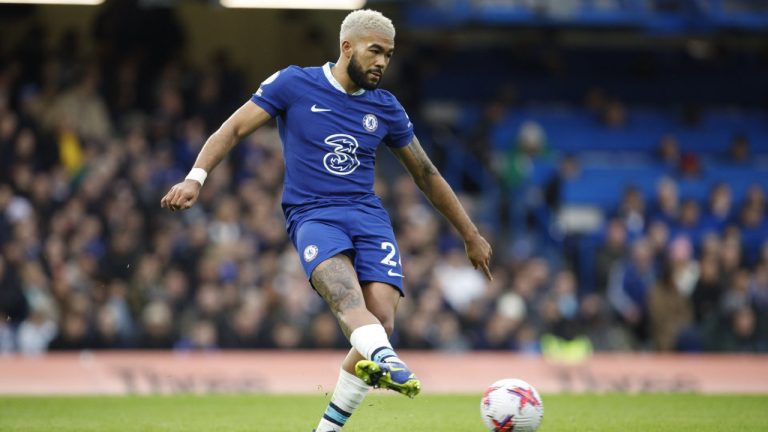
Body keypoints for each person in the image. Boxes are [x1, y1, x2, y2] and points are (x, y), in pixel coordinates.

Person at [160, 9, 492, 432]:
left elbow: (426, 174)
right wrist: (195, 178)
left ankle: (330, 425)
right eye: (375, 52)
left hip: (368, 217)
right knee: (348, 303)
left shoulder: (386, 108)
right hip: (313, 216)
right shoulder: (294, 83)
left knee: (381, 322)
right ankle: (389, 361)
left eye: (388, 55)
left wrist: (471, 234)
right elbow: (233, 128)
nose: (382, 63)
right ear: (347, 47)